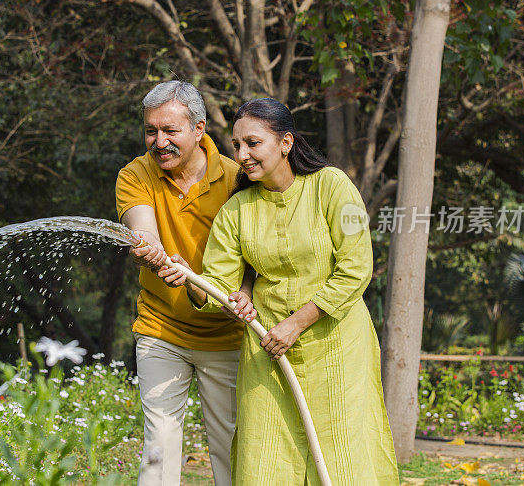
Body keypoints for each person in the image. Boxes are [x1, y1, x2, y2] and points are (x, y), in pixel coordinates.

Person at [158, 98, 399, 485]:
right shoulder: (237, 209)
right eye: (237, 146)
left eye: (253, 143)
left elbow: (357, 267)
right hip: (268, 349)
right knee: (265, 459)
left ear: (286, 143)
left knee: (346, 456)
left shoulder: (333, 185)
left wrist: (297, 323)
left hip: (337, 348)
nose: (242, 155)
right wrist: (195, 282)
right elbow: (218, 285)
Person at [115, 80, 252, 486]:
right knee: (160, 442)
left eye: (170, 131)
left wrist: (244, 294)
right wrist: (152, 250)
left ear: (199, 129)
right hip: (162, 329)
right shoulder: (136, 174)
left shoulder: (236, 179)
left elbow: (254, 256)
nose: (160, 142)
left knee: (230, 445)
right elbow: (142, 228)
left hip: (225, 334)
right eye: (151, 131)